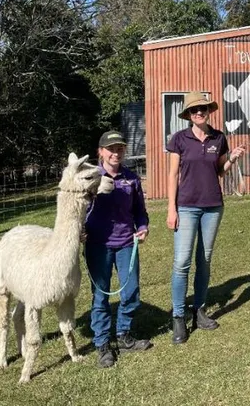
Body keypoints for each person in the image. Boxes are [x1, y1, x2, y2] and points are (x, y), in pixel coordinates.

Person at [166, 91, 245, 344]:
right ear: (188, 115)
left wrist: (231, 158)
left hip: (213, 206)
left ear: (208, 111)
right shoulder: (179, 139)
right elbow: (172, 175)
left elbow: (220, 171)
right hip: (186, 207)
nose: (199, 113)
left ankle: (199, 310)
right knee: (182, 263)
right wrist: (171, 208)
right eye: (194, 110)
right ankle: (178, 317)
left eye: (203, 109)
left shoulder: (219, 137)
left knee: (205, 259)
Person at [84, 130, 152, 368]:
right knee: (100, 295)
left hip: (126, 244)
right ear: (100, 152)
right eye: (110, 149)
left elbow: (140, 211)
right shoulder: (90, 178)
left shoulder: (131, 178)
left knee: (131, 292)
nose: (115, 153)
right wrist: (80, 229)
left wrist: (143, 227)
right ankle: (102, 343)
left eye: (120, 148)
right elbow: (77, 207)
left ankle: (124, 335)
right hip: (97, 245)